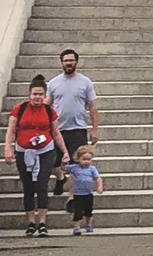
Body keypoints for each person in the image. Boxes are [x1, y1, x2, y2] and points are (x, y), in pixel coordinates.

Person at [3, 74, 69, 236]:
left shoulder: (49, 111)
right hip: (24, 151)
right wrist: (8, 148)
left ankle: (43, 222)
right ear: (29, 95)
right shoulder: (20, 109)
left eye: (41, 94)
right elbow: (11, 130)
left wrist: (65, 152)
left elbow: (55, 132)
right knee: (28, 187)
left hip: (45, 151)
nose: (37, 97)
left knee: (41, 185)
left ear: (45, 96)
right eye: (35, 94)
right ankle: (31, 222)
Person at [48, 48, 99, 197]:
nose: (68, 63)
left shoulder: (85, 82)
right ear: (61, 63)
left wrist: (95, 129)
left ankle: (73, 198)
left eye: (71, 60)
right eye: (66, 61)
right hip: (58, 130)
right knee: (53, 164)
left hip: (78, 129)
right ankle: (60, 178)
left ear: (76, 62)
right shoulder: (53, 83)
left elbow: (93, 106)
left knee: (77, 165)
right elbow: (46, 105)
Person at [67, 145, 104, 236]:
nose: (86, 161)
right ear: (78, 159)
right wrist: (64, 162)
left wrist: (99, 187)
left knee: (88, 211)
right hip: (78, 194)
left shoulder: (92, 169)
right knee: (78, 211)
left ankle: (88, 224)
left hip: (88, 193)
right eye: (84, 159)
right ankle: (76, 227)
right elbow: (64, 168)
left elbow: (98, 178)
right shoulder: (75, 168)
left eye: (89, 159)